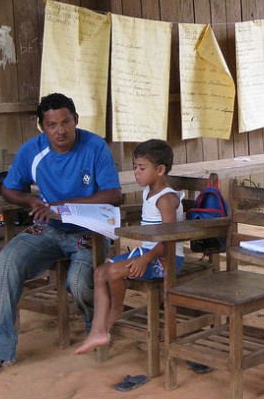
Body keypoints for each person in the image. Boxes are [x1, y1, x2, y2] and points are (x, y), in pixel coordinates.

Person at [0, 93, 122, 377]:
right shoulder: (33, 150)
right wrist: (30, 202)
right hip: (48, 229)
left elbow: (114, 194)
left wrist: (64, 206)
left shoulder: (94, 147)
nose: (60, 130)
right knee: (6, 261)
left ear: (76, 120)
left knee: (78, 284)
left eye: (66, 122)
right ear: (42, 127)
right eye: (52, 124)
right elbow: (8, 188)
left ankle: (97, 326)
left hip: (89, 233)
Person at [74, 139, 185, 354]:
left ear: (160, 169)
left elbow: (169, 240)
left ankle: (114, 312)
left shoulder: (166, 199)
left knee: (114, 272)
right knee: (99, 272)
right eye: (135, 167)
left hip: (166, 259)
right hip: (147, 253)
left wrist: (145, 259)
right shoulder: (148, 192)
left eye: (142, 168)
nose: (136, 172)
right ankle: (97, 330)